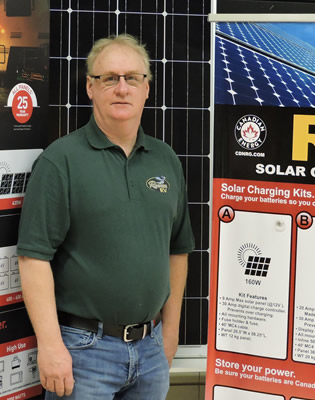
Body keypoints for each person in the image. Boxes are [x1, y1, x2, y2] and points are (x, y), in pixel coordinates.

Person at [17, 34, 195, 399]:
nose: (122, 88)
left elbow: (178, 251)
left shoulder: (167, 160)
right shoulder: (60, 161)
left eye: (133, 78)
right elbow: (33, 258)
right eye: (109, 78)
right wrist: (50, 347)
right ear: (90, 87)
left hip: (151, 349)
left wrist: (172, 331)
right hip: (84, 353)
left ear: (147, 88)